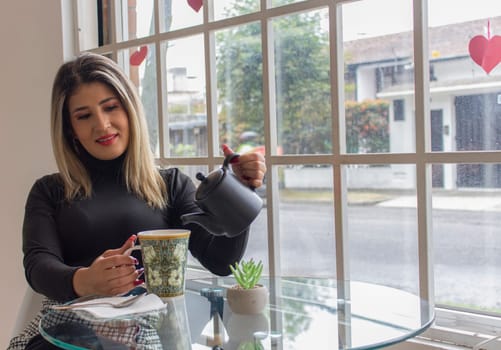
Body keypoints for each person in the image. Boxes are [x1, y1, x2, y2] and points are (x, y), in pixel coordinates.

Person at [8, 52, 266, 350]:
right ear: (70, 129)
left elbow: (221, 262)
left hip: (155, 335)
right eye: (84, 115)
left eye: (110, 107)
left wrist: (240, 193)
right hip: (67, 336)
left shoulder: (169, 185)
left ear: (129, 110)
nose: (102, 125)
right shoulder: (49, 191)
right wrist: (84, 281)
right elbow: (38, 266)